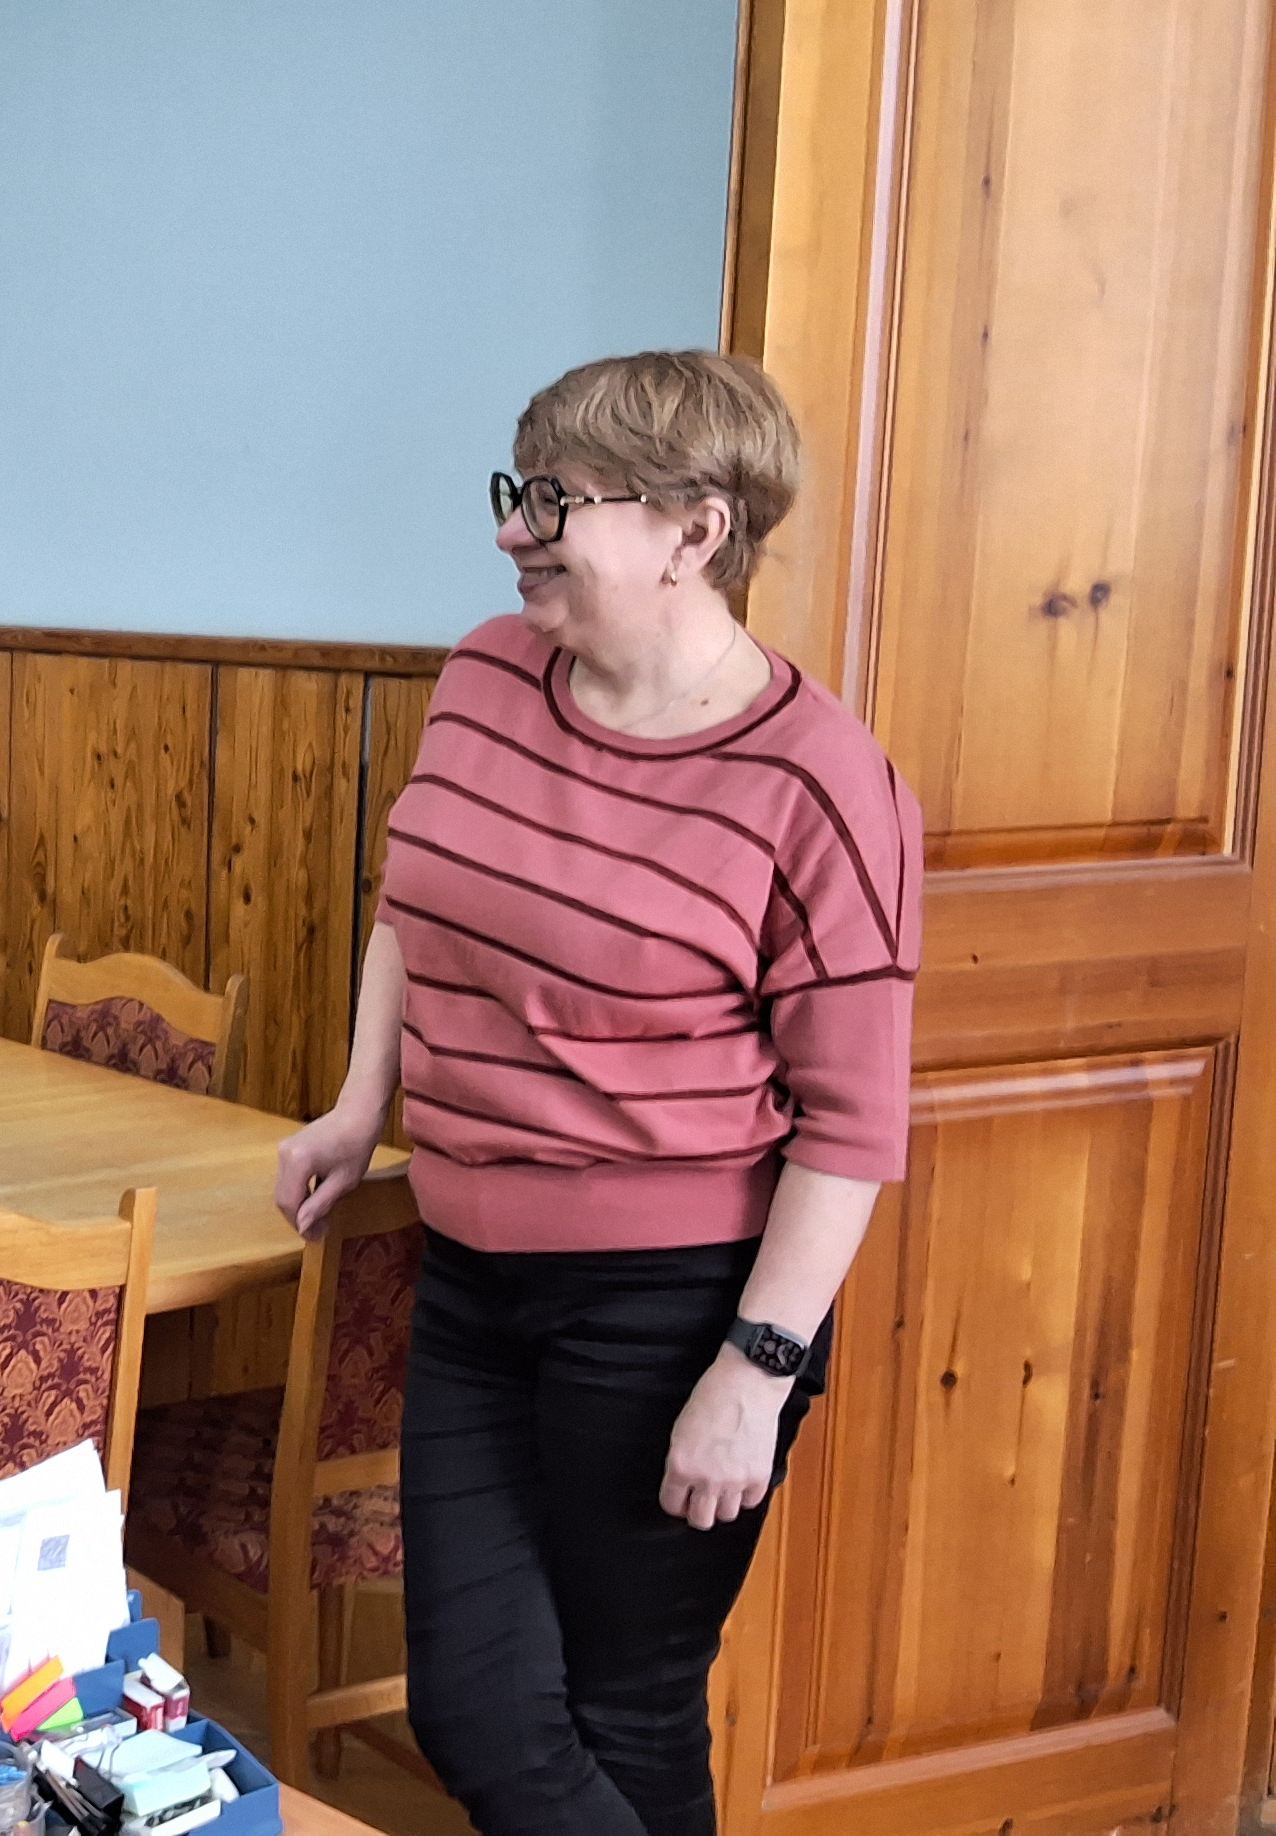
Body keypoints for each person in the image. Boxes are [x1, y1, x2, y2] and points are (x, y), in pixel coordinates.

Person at [274, 351, 918, 1836]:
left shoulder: (821, 782)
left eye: (556, 501)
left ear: (698, 530)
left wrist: (754, 1372)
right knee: (475, 1709)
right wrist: (362, 1102)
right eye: (520, 492)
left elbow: (853, 1123)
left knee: (627, 1705)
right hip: (470, 1282)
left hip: (674, 1307)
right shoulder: (488, 672)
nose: (514, 531)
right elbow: (412, 903)